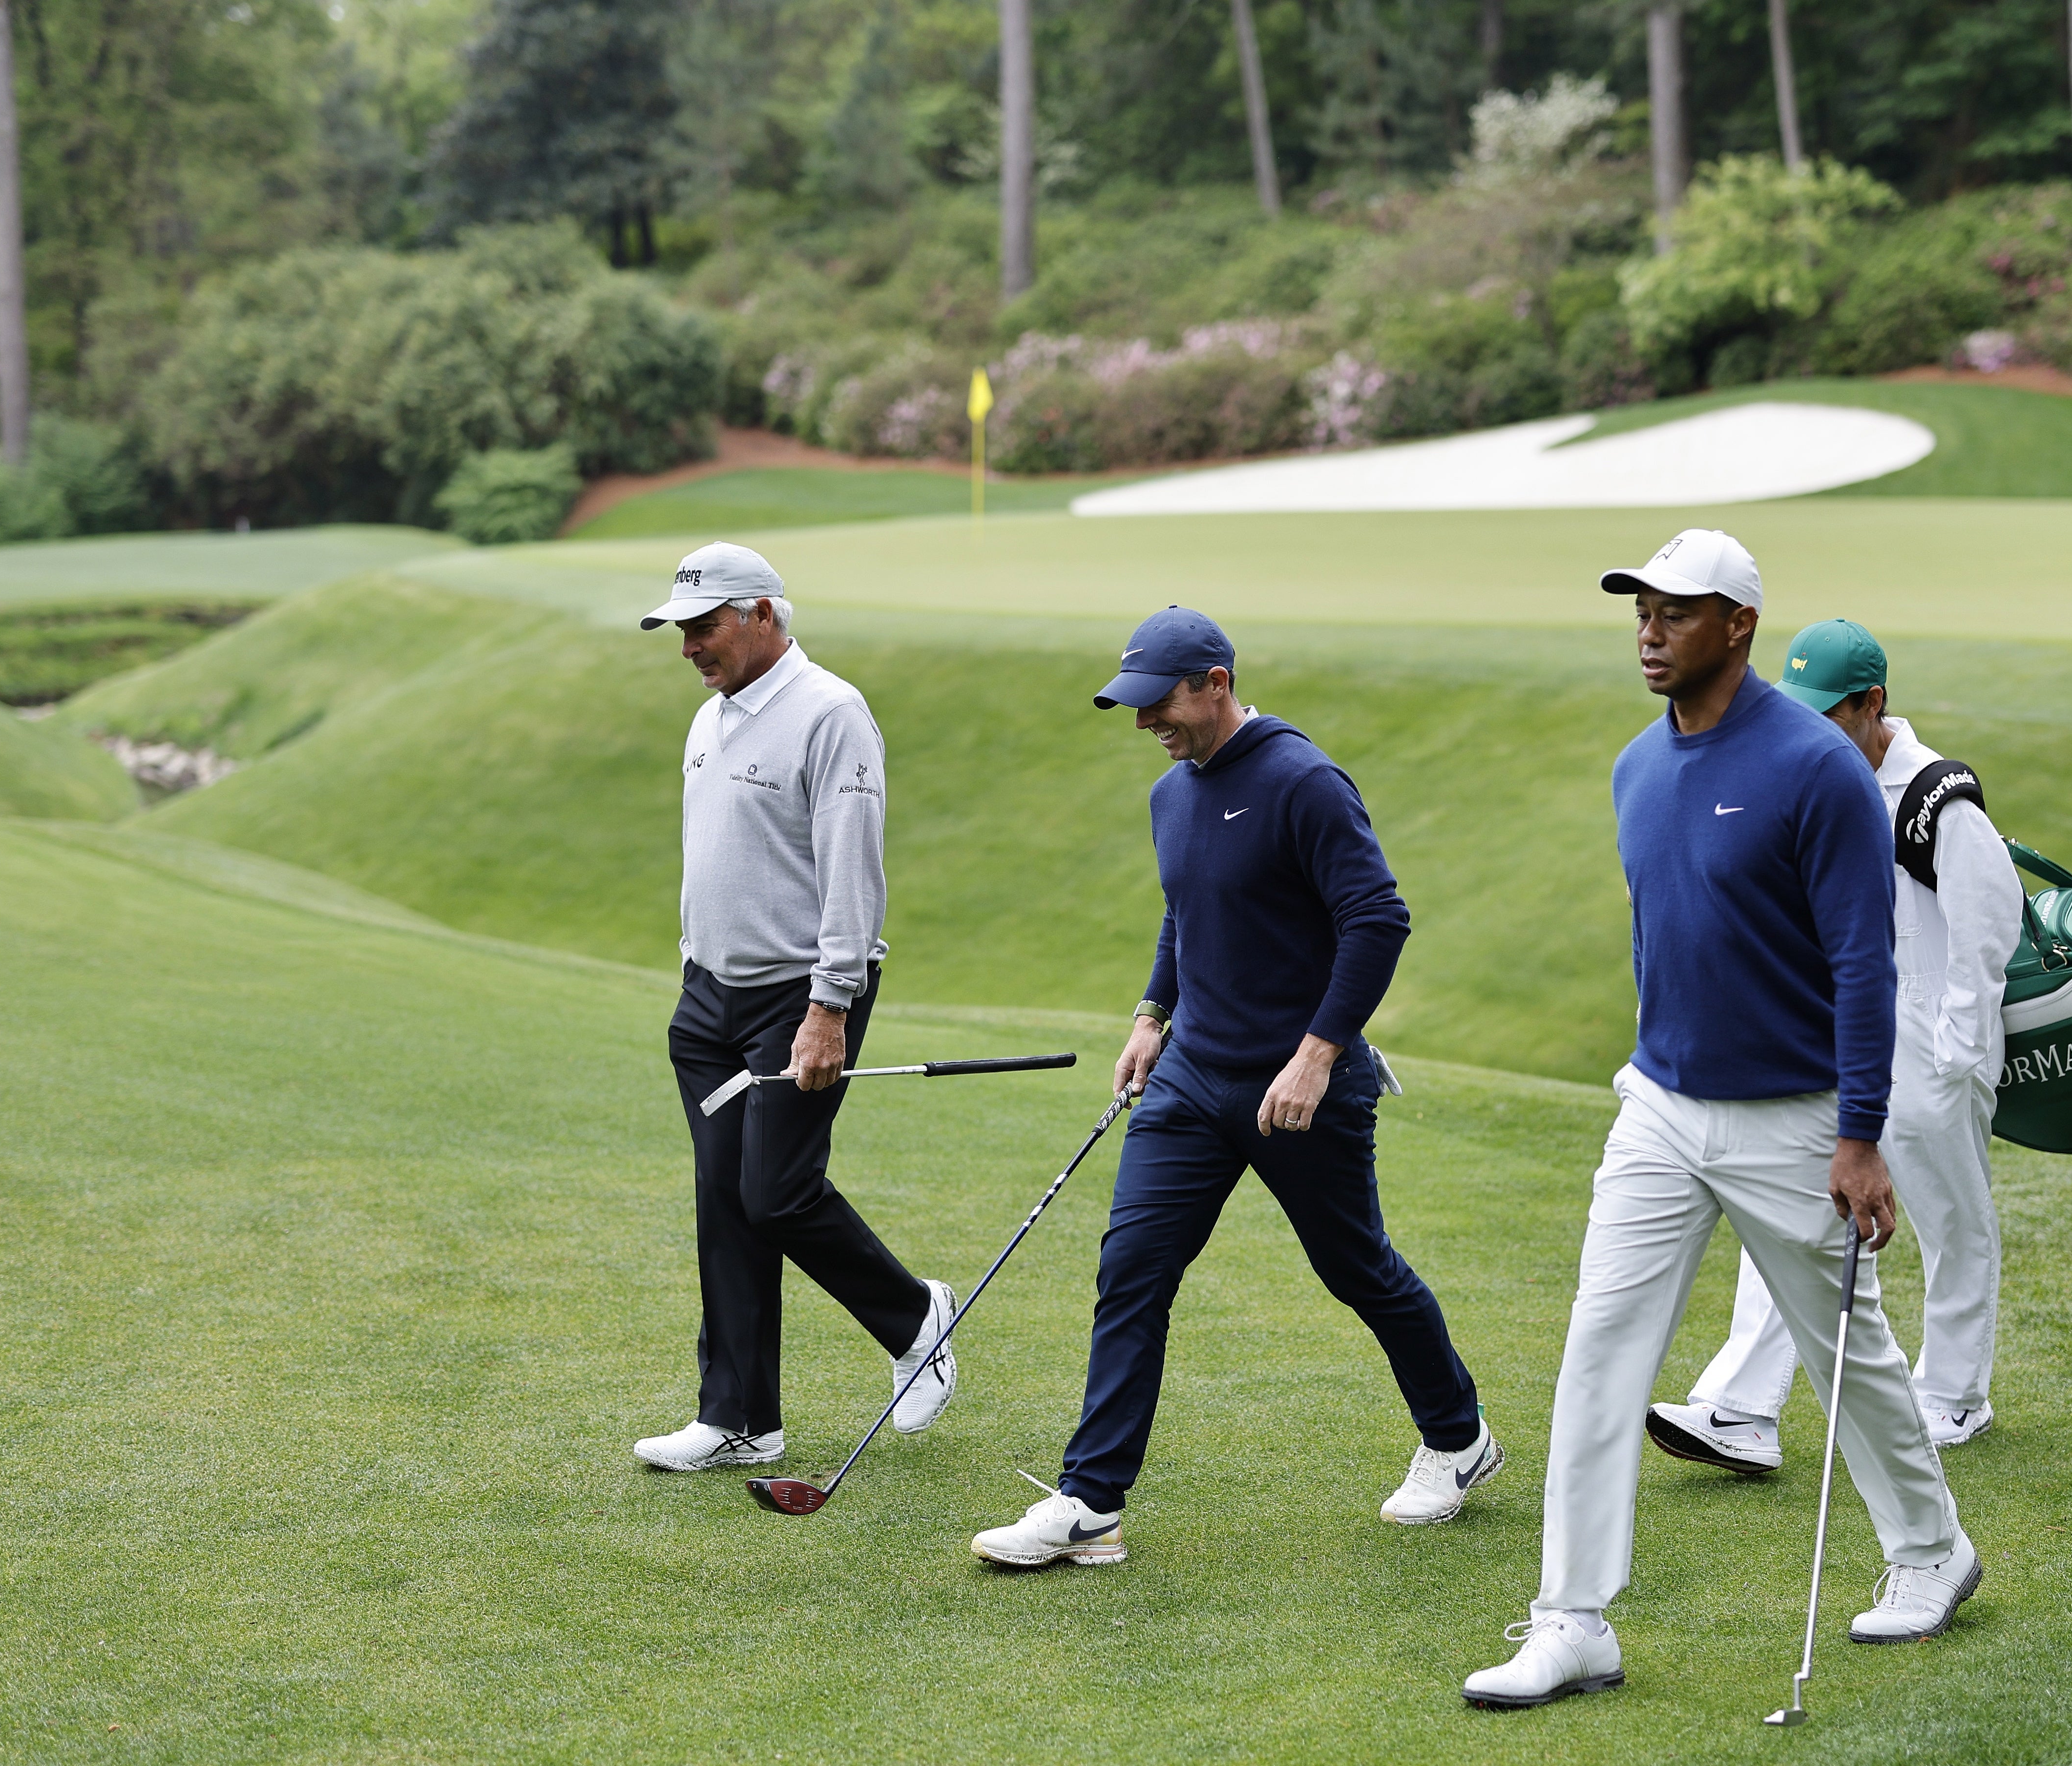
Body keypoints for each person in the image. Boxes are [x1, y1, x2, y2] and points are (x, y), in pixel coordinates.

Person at [1462, 532, 1979, 1711]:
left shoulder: (1816, 769)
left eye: (1677, 613)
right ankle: (1572, 1618)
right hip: (1658, 1107)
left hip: (1794, 1120)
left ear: (1739, 625)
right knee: (1601, 1352)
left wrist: (1862, 1136)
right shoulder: (1635, 768)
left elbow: (1865, 963)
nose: (1650, 630)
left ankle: (1931, 1551)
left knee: (1849, 1353)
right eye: (1641, 610)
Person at [970, 606, 1494, 1570]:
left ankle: (1458, 1441)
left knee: (1357, 1270)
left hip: (1300, 1090)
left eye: (1157, 703)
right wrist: (1150, 1014)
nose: (1144, 725)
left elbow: (1378, 920)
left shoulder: (1303, 782)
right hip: (1194, 1082)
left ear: (1216, 682)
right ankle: (1091, 1502)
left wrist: (1319, 1053)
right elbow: (1188, 914)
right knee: (1132, 1269)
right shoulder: (1175, 794)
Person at [1651, 618, 2025, 1465]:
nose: (1812, 731)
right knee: (1794, 1212)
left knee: (1949, 1222)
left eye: (1832, 715)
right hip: (1836, 1048)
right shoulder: (1807, 784)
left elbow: (1987, 925)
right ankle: (1740, 1407)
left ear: (1873, 703)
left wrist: (1956, 1051)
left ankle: (1955, 1394)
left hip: (1932, 1046)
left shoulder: (1936, 795)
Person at [628, 542, 963, 1474]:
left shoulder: (831, 713)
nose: (690, 645)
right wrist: (695, 973)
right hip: (710, 1001)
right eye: (681, 630)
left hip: (798, 998)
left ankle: (916, 1317)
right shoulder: (711, 719)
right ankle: (739, 1417)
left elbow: (854, 875)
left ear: (763, 615)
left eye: (704, 627)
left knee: (774, 1189)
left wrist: (830, 1007)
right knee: (724, 1202)